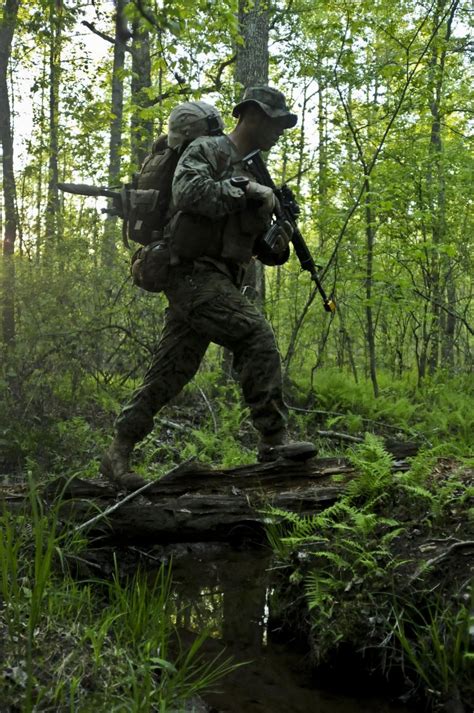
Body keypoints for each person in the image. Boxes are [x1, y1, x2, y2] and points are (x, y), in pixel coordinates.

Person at [101, 86, 317, 490]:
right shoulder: (210, 150)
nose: (279, 131)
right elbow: (188, 192)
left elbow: (261, 250)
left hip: (214, 279)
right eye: (274, 121)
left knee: (170, 372)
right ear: (250, 115)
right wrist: (246, 192)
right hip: (192, 274)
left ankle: (117, 451)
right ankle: (273, 441)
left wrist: (280, 228)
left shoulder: (255, 170)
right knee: (255, 336)